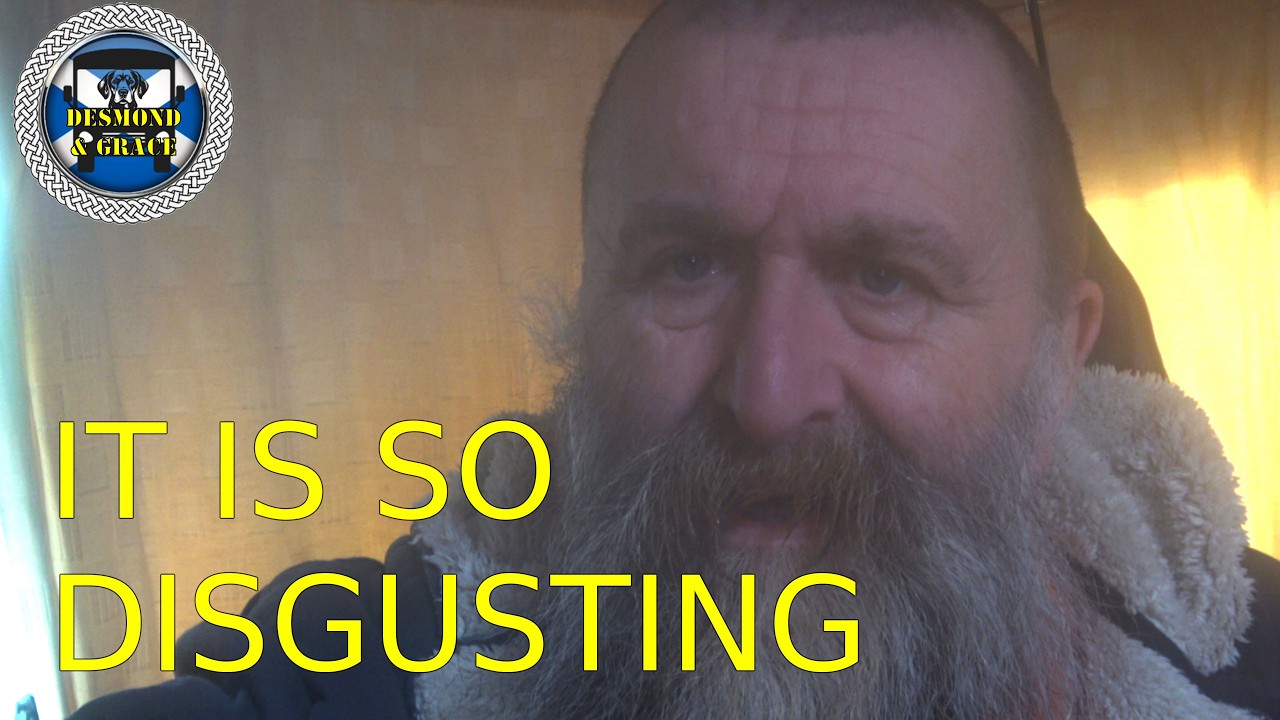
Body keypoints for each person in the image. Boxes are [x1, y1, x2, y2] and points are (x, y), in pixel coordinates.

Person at [69, 0, 1280, 718]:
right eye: (686, 266)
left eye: (883, 280)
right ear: (586, 320)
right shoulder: (359, 663)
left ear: (1057, 360)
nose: (768, 394)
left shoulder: (1256, 657)